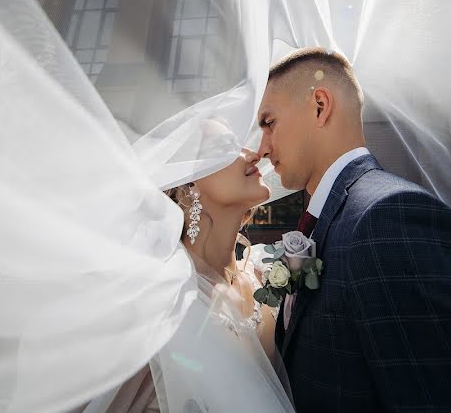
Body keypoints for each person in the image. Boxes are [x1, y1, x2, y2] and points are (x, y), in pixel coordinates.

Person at [258, 47, 451, 413]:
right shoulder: (335, 220)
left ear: (319, 105)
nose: (263, 147)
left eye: (269, 122)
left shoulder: (388, 218)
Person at [74, 119, 293, 413]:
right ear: (188, 182)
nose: (253, 154)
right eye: (224, 149)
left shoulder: (264, 277)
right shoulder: (158, 305)